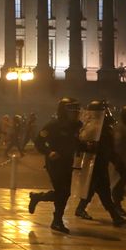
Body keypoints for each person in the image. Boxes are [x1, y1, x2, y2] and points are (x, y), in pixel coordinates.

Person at [29, 98, 82, 233]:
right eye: (72, 109)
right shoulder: (53, 125)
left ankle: (38, 197)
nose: (75, 112)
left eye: (77, 109)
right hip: (55, 163)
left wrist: (87, 146)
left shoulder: (77, 126)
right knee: (63, 192)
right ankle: (57, 221)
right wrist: (49, 152)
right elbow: (38, 142)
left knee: (64, 192)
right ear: (64, 110)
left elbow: (76, 143)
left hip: (69, 162)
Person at [73, 101, 126, 227]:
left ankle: (81, 208)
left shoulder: (103, 128)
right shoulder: (93, 128)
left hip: (100, 163)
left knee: (93, 188)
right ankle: (115, 216)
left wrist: (115, 161)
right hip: (94, 165)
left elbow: (109, 148)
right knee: (102, 190)